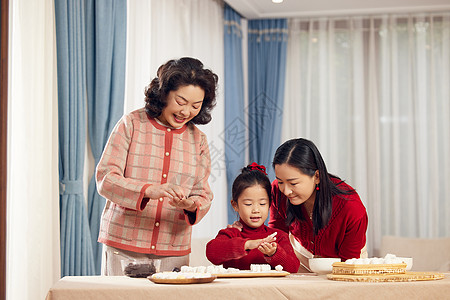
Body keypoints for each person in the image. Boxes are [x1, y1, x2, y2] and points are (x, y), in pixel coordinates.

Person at [96, 57, 218, 275]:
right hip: (124, 245)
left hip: (173, 248)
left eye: (195, 106)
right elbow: (106, 178)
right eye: (181, 101)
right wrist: (148, 190)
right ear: (164, 93)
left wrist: (190, 204)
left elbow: (203, 194)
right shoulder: (131, 124)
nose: (186, 111)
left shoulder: (198, 139)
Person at [270, 138, 368, 271]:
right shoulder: (277, 190)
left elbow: (348, 266)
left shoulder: (350, 207)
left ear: (317, 176)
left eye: (293, 183)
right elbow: (277, 235)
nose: (286, 191)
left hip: (344, 260)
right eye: (280, 181)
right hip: (300, 254)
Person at [206, 163, 300, 273]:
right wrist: (248, 244)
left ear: (269, 204)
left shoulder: (278, 237)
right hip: (236, 289)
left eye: (262, 204)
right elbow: (212, 252)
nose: (256, 210)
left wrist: (274, 253)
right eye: (248, 204)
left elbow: (293, 268)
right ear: (235, 205)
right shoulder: (231, 234)